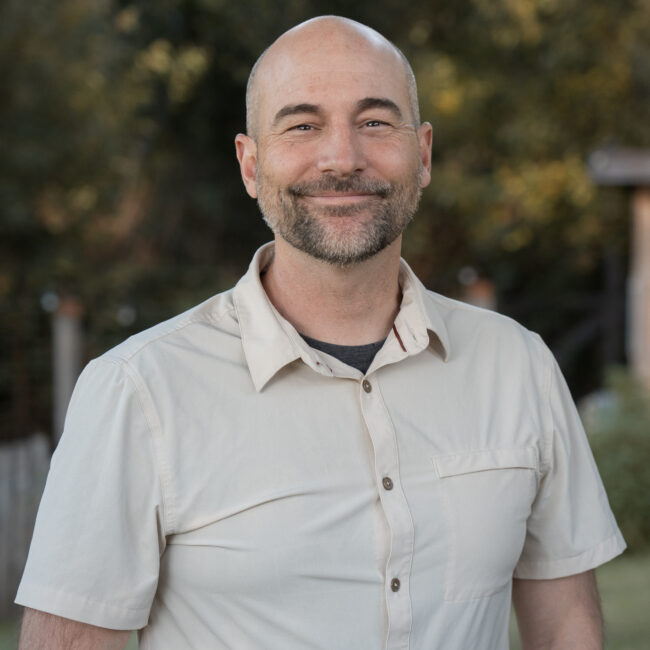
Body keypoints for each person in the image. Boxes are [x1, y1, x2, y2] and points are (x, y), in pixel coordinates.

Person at [16, 15, 625, 650]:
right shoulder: (138, 391)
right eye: (302, 125)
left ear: (423, 154)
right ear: (251, 165)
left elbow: (567, 628)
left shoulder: (518, 365)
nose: (342, 158)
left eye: (375, 122)